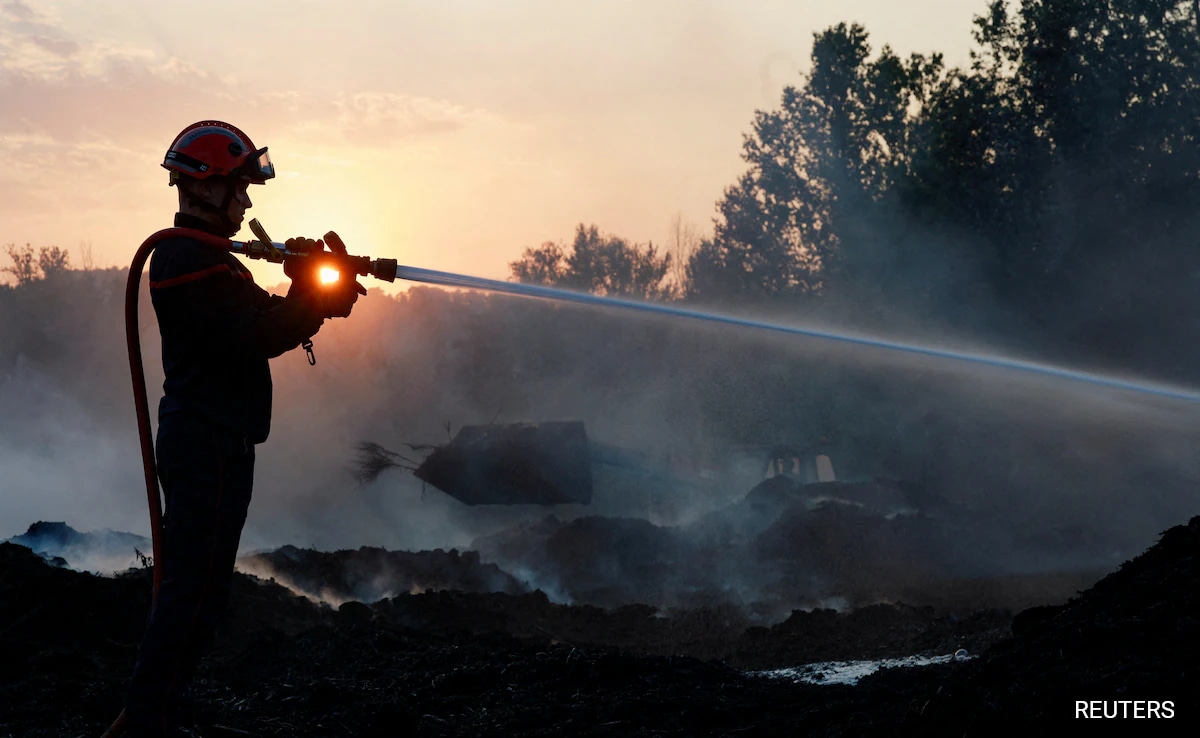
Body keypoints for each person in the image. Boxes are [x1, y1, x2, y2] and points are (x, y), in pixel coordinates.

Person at [122, 120, 362, 737]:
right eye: (240, 189)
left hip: (220, 439)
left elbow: (266, 317)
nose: (248, 203)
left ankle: (164, 714)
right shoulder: (184, 260)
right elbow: (251, 338)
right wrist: (313, 303)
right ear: (205, 189)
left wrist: (306, 285)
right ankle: (151, 722)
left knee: (201, 593)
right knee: (190, 593)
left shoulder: (214, 263)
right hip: (206, 442)